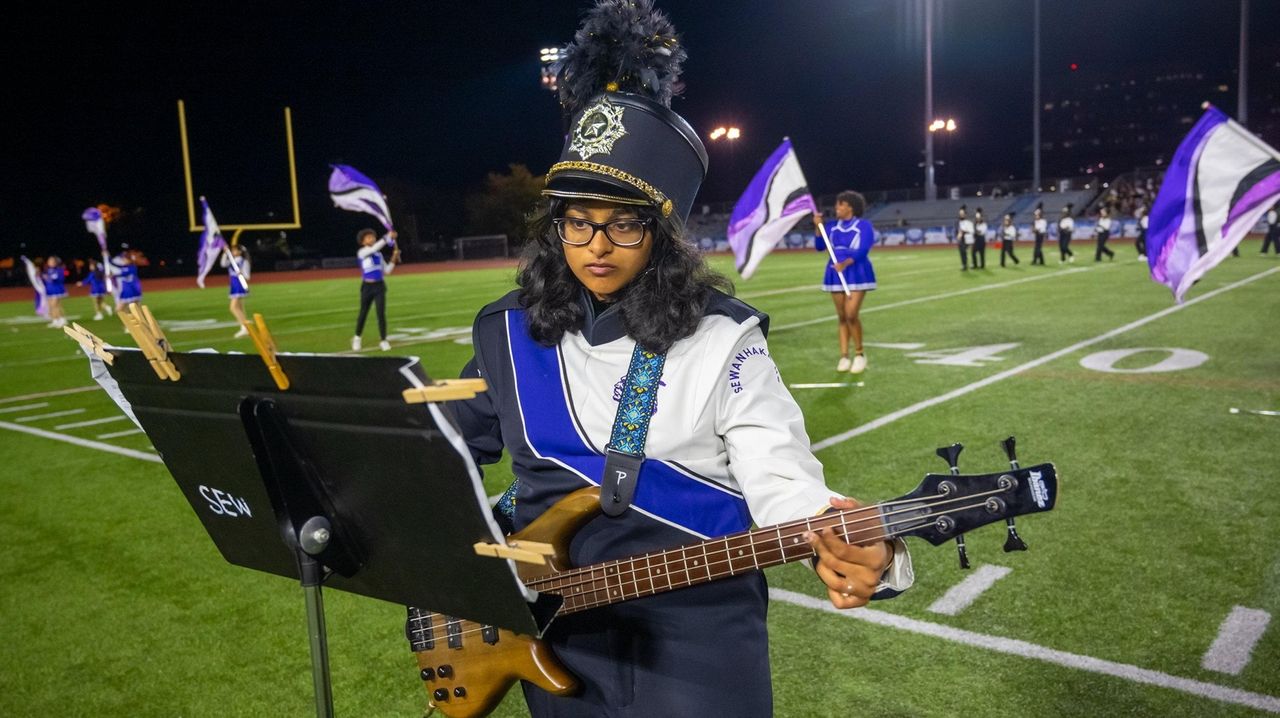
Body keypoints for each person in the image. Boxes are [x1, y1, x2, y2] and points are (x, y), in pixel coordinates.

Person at [449, 2, 912, 714]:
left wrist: (862, 551)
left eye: (624, 222)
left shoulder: (724, 339)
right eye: (577, 220)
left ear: (664, 234)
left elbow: (782, 478)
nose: (596, 244)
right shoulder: (508, 334)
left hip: (699, 651)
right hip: (555, 641)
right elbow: (441, 456)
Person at [812, 190, 876, 374]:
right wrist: (818, 227)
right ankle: (844, 356)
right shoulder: (831, 226)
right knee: (841, 317)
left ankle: (860, 354)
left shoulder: (863, 225)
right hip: (835, 273)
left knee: (851, 314)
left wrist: (846, 263)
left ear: (850, 207)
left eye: (840, 204)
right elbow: (819, 246)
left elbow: (863, 249)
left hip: (856, 271)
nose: (836, 207)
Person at [351, 228, 398, 351]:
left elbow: (387, 271)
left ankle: (383, 340)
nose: (371, 239)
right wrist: (387, 237)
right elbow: (374, 249)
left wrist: (394, 257)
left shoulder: (379, 254)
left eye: (372, 237)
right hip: (367, 287)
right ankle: (357, 338)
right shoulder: (361, 252)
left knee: (381, 313)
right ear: (362, 241)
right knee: (363, 313)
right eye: (368, 237)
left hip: (379, 286)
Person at [220, 244, 252, 338]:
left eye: (234, 250)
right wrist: (226, 253)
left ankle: (244, 327)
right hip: (233, 284)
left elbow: (247, 276)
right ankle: (246, 325)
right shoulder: (232, 261)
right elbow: (223, 264)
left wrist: (241, 273)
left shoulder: (244, 261)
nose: (233, 252)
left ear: (240, 252)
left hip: (239, 284)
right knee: (240, 307)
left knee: (233, 307)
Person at [41, 256, 68, 328]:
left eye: (52, 261)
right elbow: (45, 280)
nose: (50, 262)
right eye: (49, 261)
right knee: (50, 306)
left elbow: (60, 279)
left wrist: (50, 278)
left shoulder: (59, 270)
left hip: (57, 290)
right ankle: (55, 320)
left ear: (56, 262)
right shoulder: (48, 270)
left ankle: (62, 320)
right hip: (50, 290)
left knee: (55, 305)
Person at [956, 204, 974, 270]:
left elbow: (971, 231)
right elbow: (956, 230)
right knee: (962, 252)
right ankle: (964, 265)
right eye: (960, 214)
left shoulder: (969, 222)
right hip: (961, 240)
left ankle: (972, 264)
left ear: (965, 214)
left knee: (969, 252)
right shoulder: (957, 222)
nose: (961, 215)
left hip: (968, 239)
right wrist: (958, 236)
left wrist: (963, 232)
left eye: (962, 214)